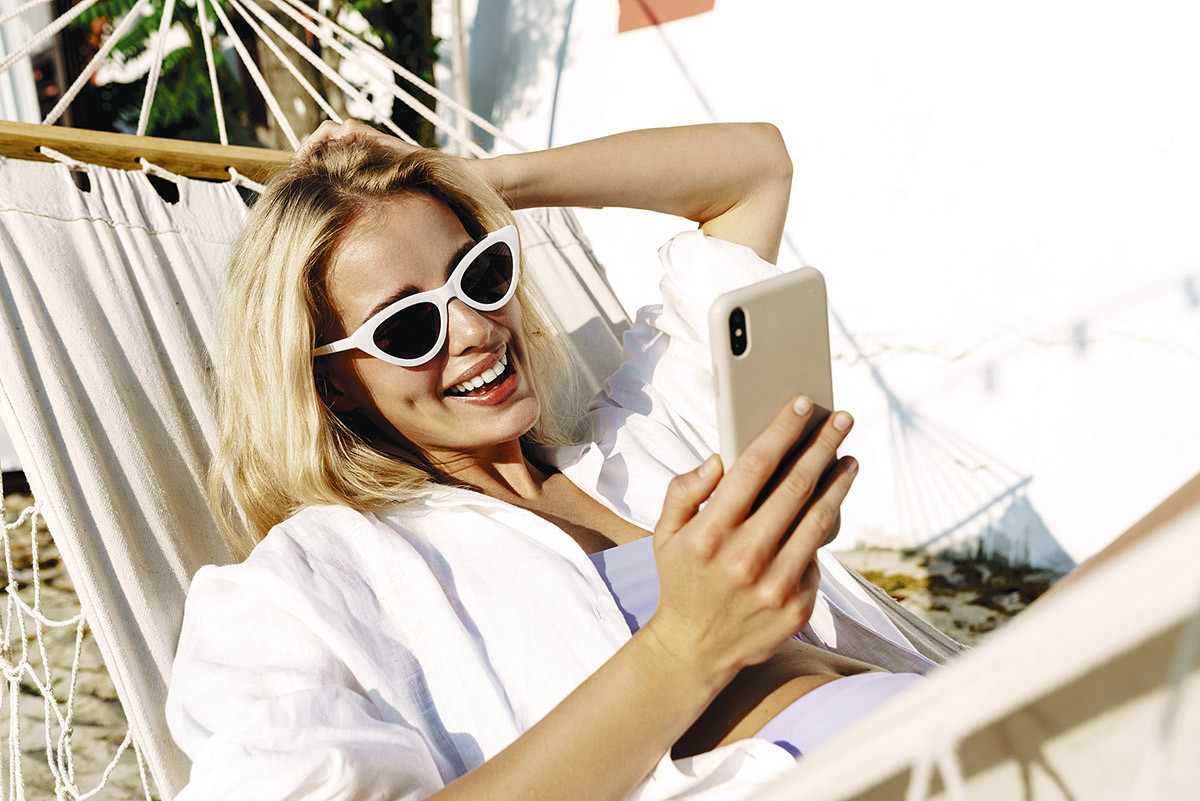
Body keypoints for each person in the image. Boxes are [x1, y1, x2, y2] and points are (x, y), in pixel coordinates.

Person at [166, 121, 941, 801]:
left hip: (950, 725)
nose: (476, 329)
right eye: (407, 326)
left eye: (480, 273)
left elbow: (754, 170)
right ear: (329, 378)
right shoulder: (310, 584)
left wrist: (473, 180)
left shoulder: (643, 439)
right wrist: (682, 648)